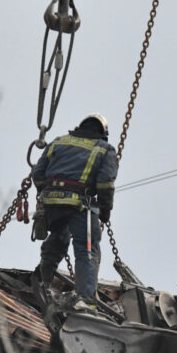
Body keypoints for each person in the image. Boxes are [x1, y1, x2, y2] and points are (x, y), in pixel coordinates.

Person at [33, 113, 117, 311]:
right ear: (102, 134)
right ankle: (86, 300)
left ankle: (41, 280)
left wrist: (46, 194)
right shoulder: (105, 149)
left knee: (58, 238)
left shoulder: (58, 142)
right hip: (81, 206)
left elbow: (38, 174)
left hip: (51, 202)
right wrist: (105, 210)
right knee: (87, 248)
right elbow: (105, 183)